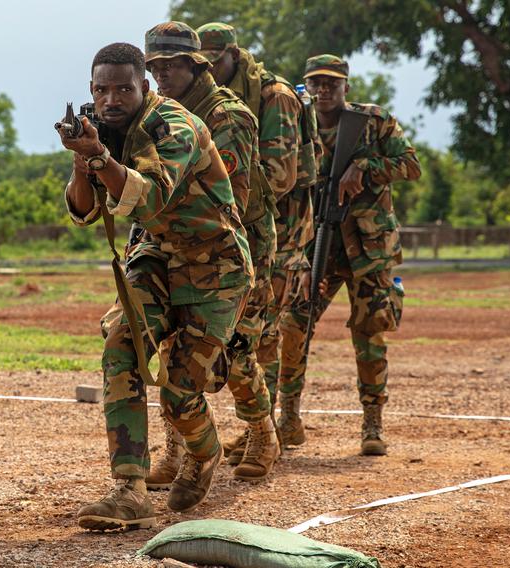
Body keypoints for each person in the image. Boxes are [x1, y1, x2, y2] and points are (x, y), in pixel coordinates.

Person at [58, 42, 253, 531]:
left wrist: (100, 157)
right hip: (157, 257)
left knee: (180, 393)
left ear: (144, 87)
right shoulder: (102, 131)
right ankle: (130, 488)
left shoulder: (174, 125)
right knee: (121, 341)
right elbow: (83, 211)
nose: (111, 99)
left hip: (216, 266)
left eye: (124, 88)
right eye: (101, 89)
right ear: (91, 91)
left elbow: (150, 198)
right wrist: (86, 161)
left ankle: (204, 453)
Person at [142, 22, 280, 485]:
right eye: (155, 67)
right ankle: (177, 448)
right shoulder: (157, 114)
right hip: (175, 244)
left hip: (234, 247)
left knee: (236, 348)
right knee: (170, 346)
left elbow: (232, 203)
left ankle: (262, 432)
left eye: (172, 65)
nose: (162, 75)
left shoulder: (228, 116)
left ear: (195, 64)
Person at [279, 54, 421, 455]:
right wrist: (300, 257)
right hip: (318, 246)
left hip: (369, 250)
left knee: (369, 333)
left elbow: (410, 165)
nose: (324, 91)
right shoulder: (297, 127)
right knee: (292, 326)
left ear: (346, 87)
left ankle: (372, 424)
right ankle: (287, 415)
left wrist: (364, 165)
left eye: (332, 83)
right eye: (315, 84)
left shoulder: (373, 122)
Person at [196, 22, 320, 458]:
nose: (208, 71)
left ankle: (273, 425)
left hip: (280, 232)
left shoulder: (276, 97)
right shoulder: (211, 99)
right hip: (242, 226)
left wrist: (215, 199)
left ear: (233, 55)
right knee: (252, 330)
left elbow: (281, 176)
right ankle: (263, 427)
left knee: (269, 328)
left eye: (214, 63)